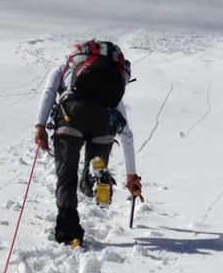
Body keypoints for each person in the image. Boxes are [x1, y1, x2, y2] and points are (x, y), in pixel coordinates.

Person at [33, 40, 143, 245]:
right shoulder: (109, 87)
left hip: (70, 115)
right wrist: (131, 176)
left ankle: (69, 230)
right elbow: (126, 135)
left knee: (67, 174)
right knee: (89, 179)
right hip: (104, 122)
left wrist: (40, 126)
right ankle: (95, 178)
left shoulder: (62, 69)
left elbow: (49, 92)